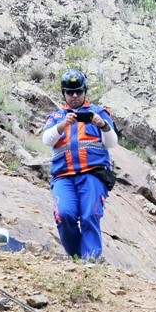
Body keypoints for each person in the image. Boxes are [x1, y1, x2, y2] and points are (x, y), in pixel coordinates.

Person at [41, 69, 116, 260]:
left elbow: (111, 143)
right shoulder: (57, 117)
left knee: (90, 215)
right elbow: (47, 140)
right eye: (70, 92)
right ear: (64, 93)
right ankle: (75, 256)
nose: (74, 96)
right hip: (63, 176)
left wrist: (102, 125)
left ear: (85, 91)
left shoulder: (99, 113)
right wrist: (62, 125)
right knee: (64, 214)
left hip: (92, 174)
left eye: (79, 92)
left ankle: (90, 259)